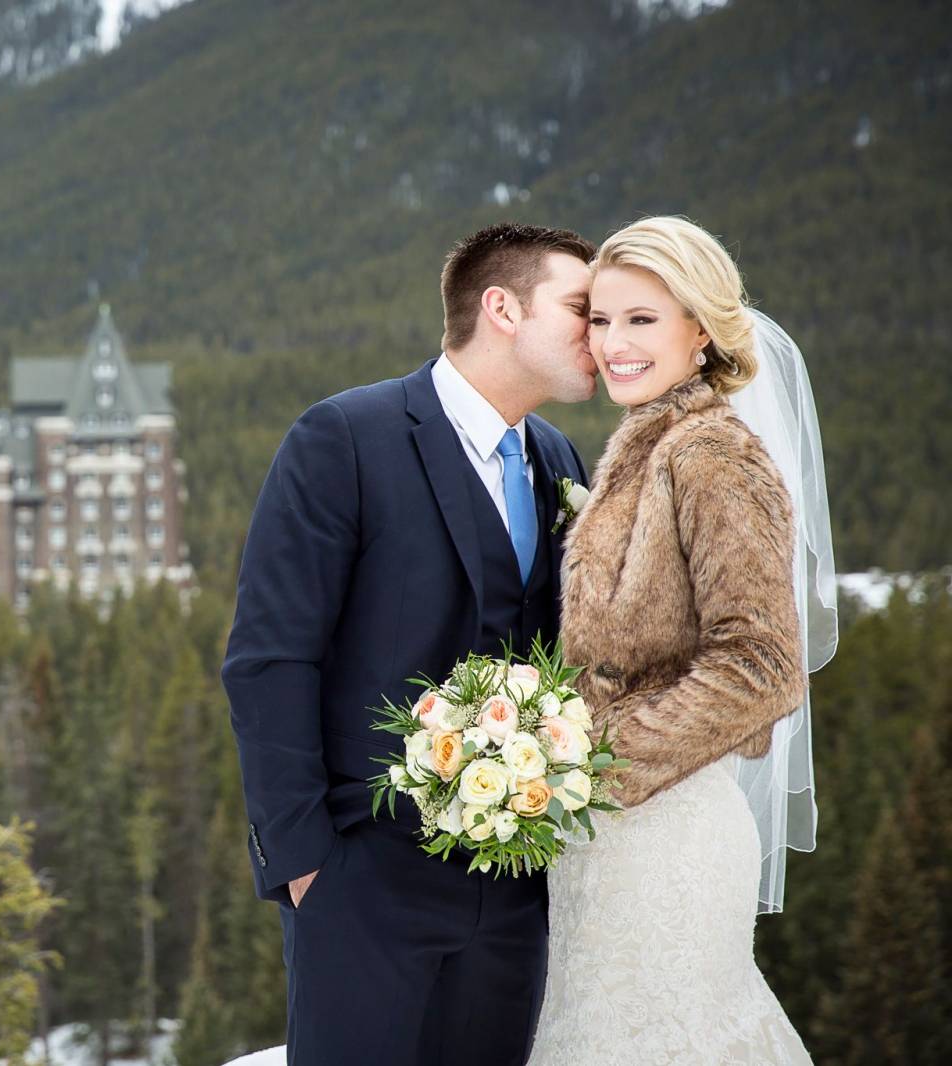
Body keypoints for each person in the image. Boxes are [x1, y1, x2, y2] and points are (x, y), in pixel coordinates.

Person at [222, 222, 596, 1064]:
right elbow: (269, 659)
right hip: (360, 882)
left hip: (510, 890)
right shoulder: (344, 438)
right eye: (580, 309)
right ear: (501, 308)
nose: (598, 334)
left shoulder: (559, 456)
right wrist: (307, 868)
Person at [528, 215, 833, 1065]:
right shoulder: (646, 446)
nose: (614, 343)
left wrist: (595, 764)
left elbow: (764, 666)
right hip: (604, 840)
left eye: (642, 319)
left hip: (667, 839)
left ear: (701, 332)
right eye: (600, 319)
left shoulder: (712, 457)